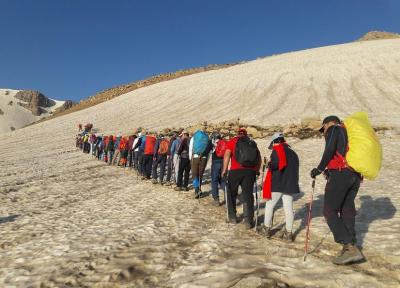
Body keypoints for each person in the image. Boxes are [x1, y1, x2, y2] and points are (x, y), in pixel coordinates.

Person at [310, 115, 364, 265]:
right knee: (347, 209)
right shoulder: (348, 133)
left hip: (341, 174)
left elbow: (330, 149)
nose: (324, 132)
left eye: (323, 128)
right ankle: (351, 247)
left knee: (329, 211)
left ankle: (349, 246)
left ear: (328, 123)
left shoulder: (335, 128)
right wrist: (330, 170)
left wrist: (320, 168)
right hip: (354, 175)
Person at [260, 133, 300, 241]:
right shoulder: (293, 153)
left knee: (269, 205)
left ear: (275, 141)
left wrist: (269, 164)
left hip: (278, 183)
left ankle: (266, 228)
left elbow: (277, 164)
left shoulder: (277, 150)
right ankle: (289, 233)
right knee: (288, 209)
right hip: (290, 184)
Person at [222, 128, 261, 229]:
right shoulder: (252, 142)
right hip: (250, 172)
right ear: (246, 134)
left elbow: (227, 154)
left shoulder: (233, 141)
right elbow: (258, 158)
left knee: (231, 193)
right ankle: (248, 220)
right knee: (248, 195)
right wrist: (256, 171)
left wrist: (224, 170)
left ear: (237, 134)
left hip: (235, 170)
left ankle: (232, 217)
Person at [189, 130, 213, 199]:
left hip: (195, 157)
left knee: (194, 174)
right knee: (200, 174)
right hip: (204, 158)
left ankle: (197, 190)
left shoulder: (193, 138)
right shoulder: (207, 139)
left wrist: (190, 158)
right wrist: (206, 159)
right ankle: (199, 189)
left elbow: (191, 148)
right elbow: (209, 151)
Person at [210, 133, 226, 206]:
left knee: (214, 180)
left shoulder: (213, 143)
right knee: (222, 179)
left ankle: (216, 199)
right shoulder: (223, 142)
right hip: (223, 161)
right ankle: (227, 196)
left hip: (215, 162)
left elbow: (208, 151)